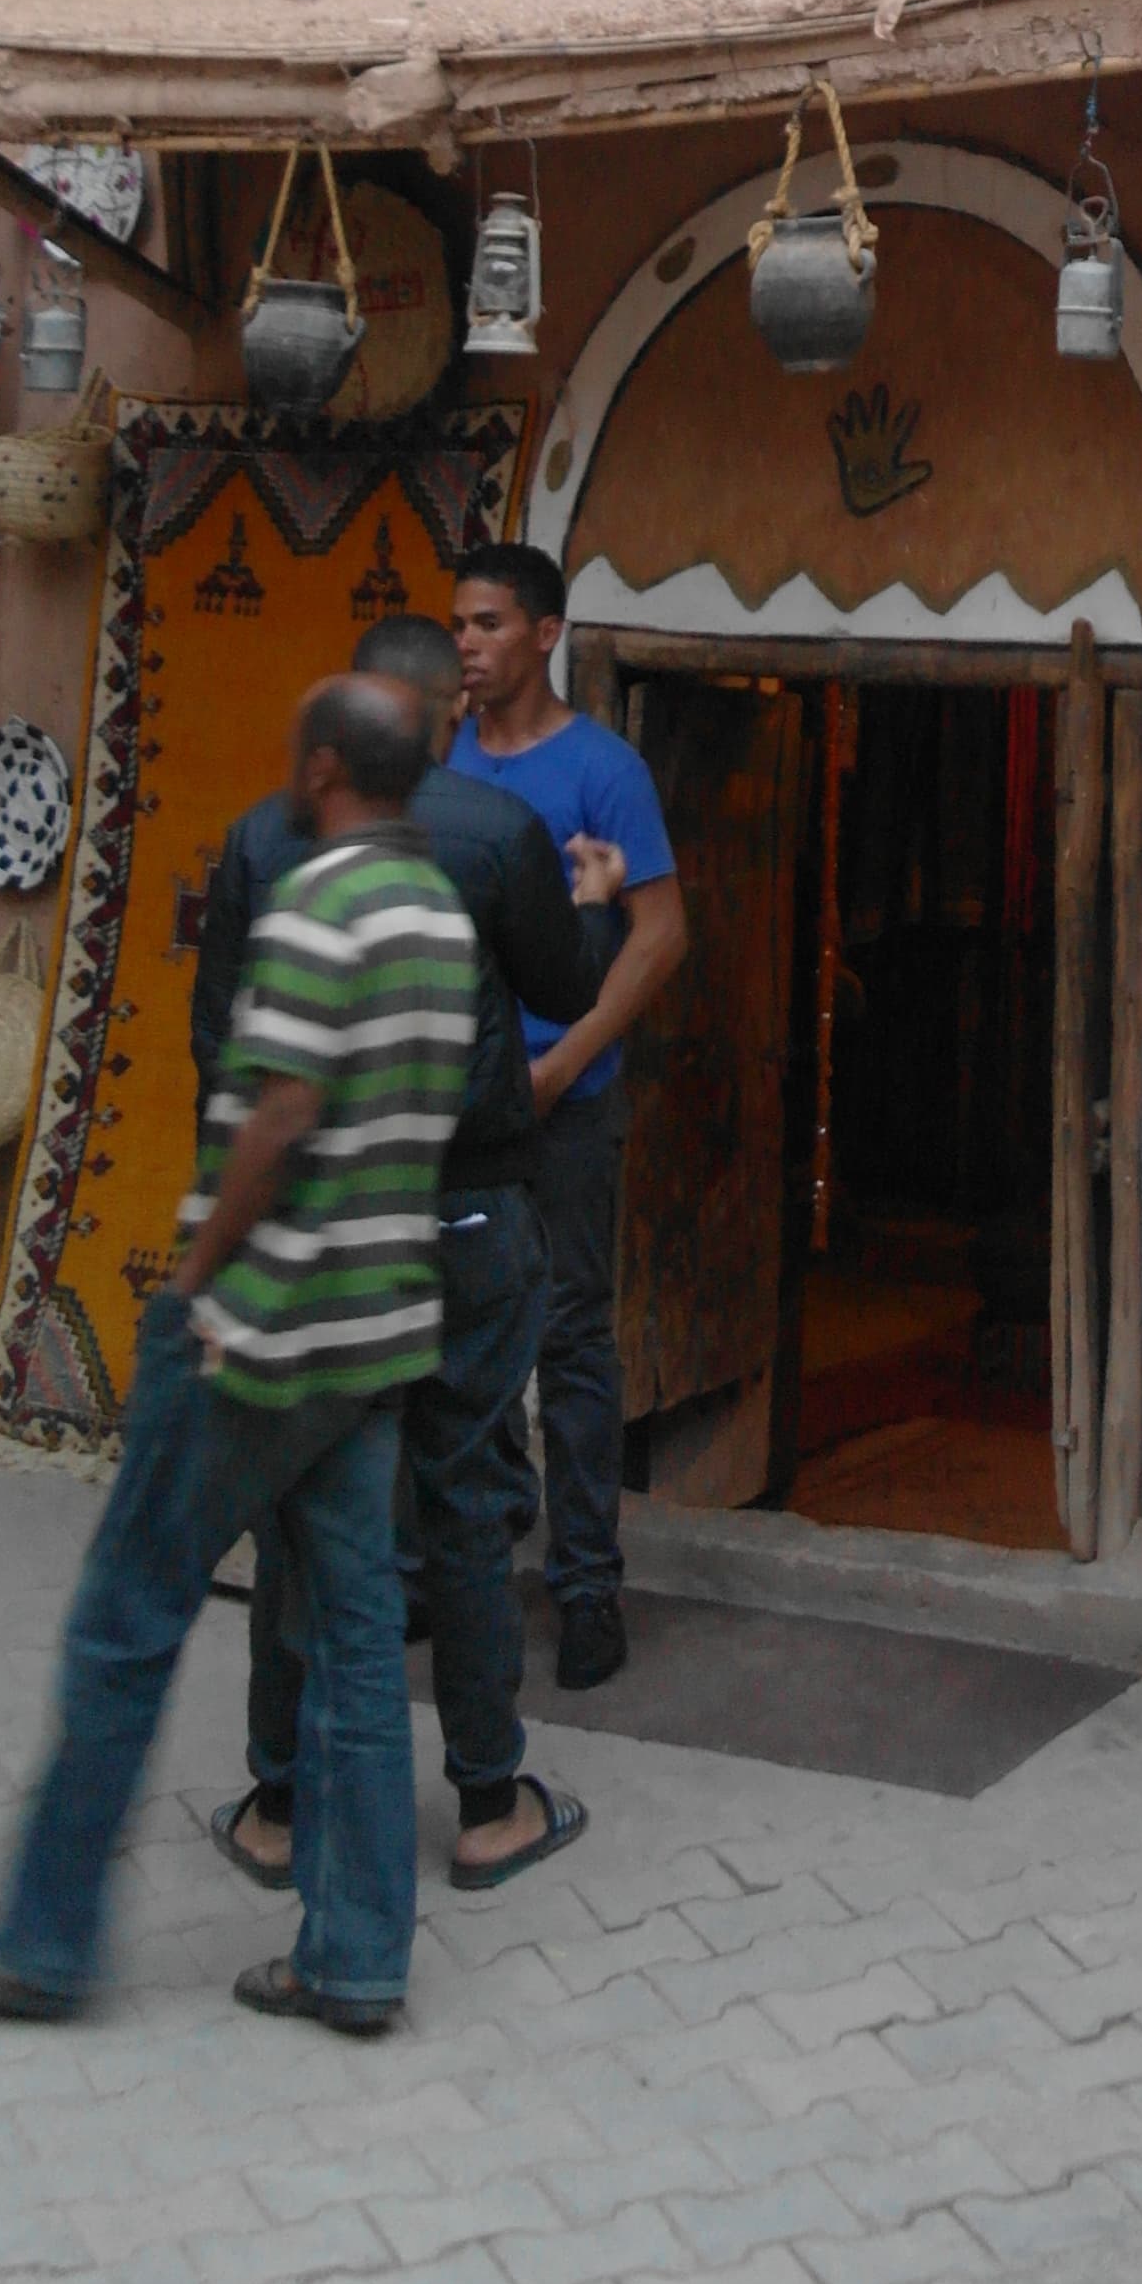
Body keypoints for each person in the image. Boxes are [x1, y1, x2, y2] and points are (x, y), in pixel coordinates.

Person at [0, 679, 473, 2036]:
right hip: (379, 1329)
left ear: (323, 766)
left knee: (124, 1623)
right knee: (354, 1647)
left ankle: (40, 1944)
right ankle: (355, 1959)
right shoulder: (440, 917)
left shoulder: (319, 906)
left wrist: (197, 1278)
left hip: (261, 1332)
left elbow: (281, 1108)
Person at [194, 614, 605, 1895]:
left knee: (304, 1509)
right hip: (469, 1211)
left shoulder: (267, 840)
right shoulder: (493, 833)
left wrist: (217, 1252)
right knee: (471, 1495)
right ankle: (488, 1801)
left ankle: (278, 1802)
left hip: (324, 1224)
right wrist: (587, 904)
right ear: (442, 708)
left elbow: (226, 1043)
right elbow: (556, 983)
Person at [448, 541, 686, 1690]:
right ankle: (473, 1567)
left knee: (572, 1340)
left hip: (565, 1105)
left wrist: (561, 1067)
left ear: (545, 633)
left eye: (487, 623)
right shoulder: (437, 757)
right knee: (459, 1337)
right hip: (456, 1108)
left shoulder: (601, 770)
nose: (468, 643)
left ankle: (587, 1587)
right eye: (458, 625)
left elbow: (659, 934)